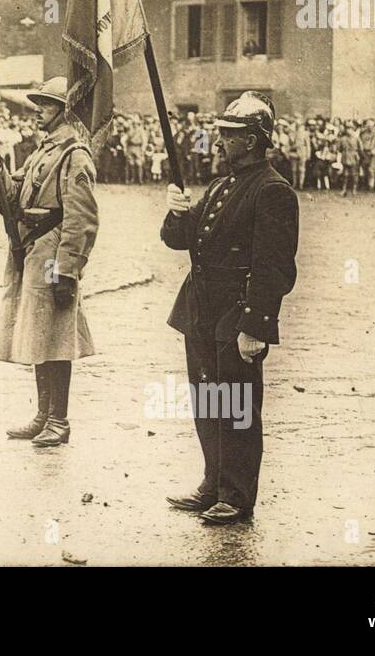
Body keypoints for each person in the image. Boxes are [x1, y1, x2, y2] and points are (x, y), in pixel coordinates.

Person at [162, 91, 298, 524]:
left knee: (236, 404)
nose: (219, 142)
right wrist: (176, 212)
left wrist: (255, 326)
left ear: (254, 141)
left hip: (235, 311)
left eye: (230, 135)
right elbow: (182, 240)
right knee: (206, 400)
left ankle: (236, 495)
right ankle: (213, 482)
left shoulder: (273, 191)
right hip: (201, 308)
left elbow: (273, 267)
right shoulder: (223, 184)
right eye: (221, 133)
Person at [0, 77, 98, 448]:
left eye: (46, 104)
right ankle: (43, 415)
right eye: (39, 104)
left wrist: (67, 269)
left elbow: (81, 218)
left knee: (55, 336)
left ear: (65, 110)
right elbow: (13, 197)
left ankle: (59, 420)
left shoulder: (74, 155)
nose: (37, 110)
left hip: (52, 255)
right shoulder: (41, 152)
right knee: (38, 331)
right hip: (32, 250)